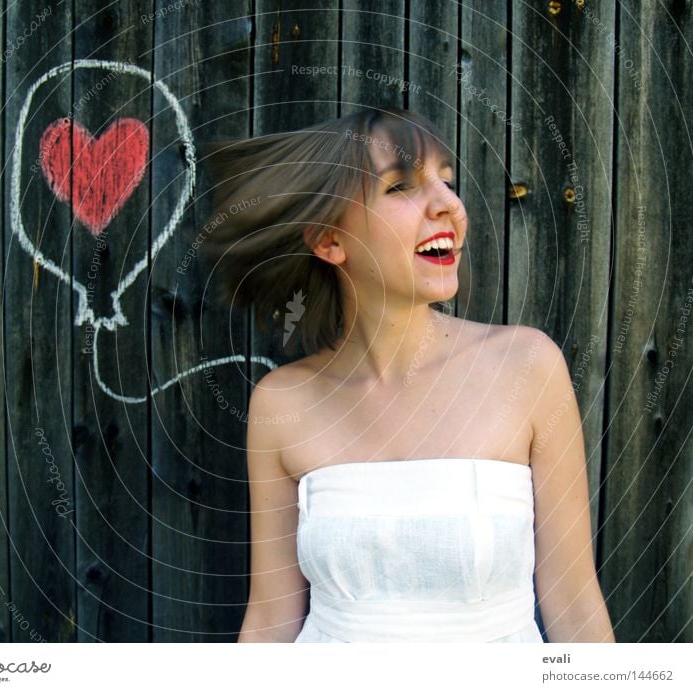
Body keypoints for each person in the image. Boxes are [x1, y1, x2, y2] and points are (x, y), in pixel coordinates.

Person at [200, 106, 615, 643]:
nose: (450, 206)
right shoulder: (283, 404)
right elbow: (272, 618)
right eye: (401, 188)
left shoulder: (528, 369)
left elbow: (574, 601)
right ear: (329, 240)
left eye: (446, 181)